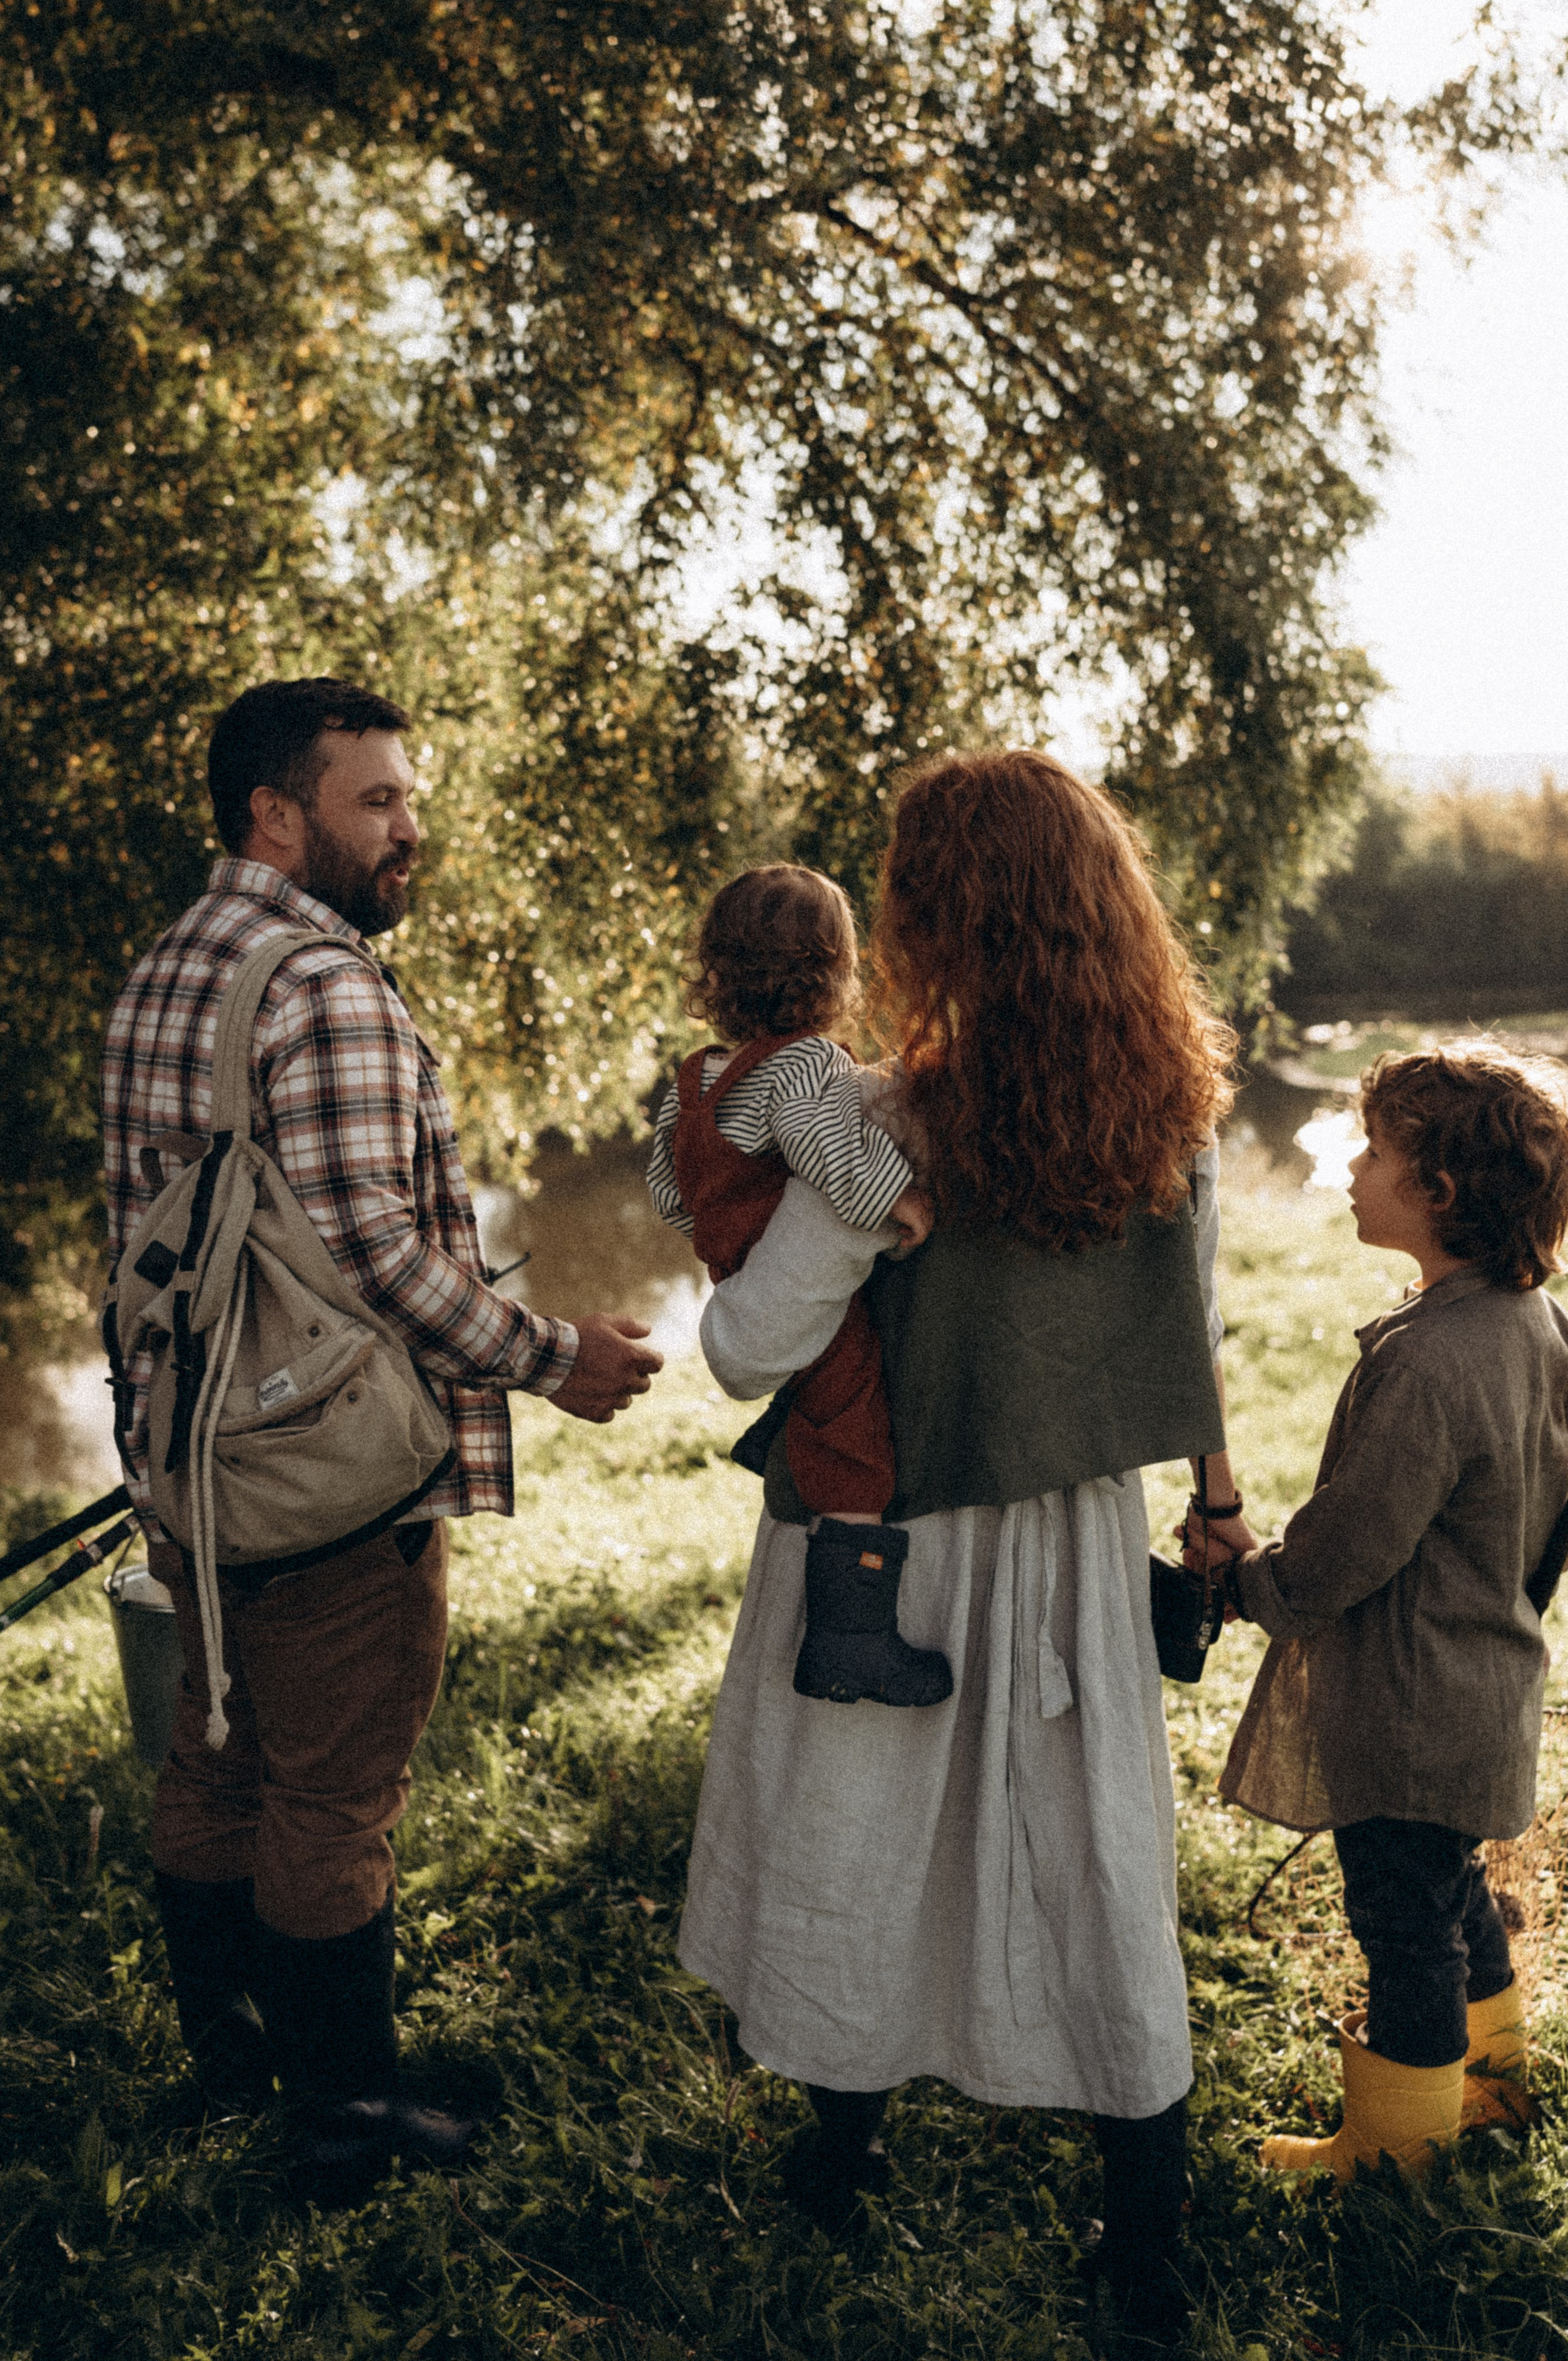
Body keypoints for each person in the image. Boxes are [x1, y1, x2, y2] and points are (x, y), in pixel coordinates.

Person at [676, 749, 1248, 2349]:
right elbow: (1189, 1337)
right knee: (1091, 1854)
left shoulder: (873, 1116)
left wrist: (815, 1215)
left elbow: (744, 1346)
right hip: (1069, 1535)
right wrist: (1211, 1498)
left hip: (891, 1538)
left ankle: (840, 2151)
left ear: (933, 918)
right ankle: (1142, 2238)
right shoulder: (1172, 1117)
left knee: (860, 1831)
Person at [102, 676, 662, 2167]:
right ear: (275, 817)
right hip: (319, 1479)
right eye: (376, 802)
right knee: (332, 1791)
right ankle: (340, 2114)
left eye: (410, 796)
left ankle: (231, 2057)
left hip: (187, 1463)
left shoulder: (167, 969)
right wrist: (551, 1357)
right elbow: (378, 1258)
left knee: (214, 1750)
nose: (410, 828)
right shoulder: (321, 981)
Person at [1214, 1045, 1568, 2181]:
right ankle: (1493, 2081)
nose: (1350, 1168)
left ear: (1441, 1194)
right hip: (1481, 1682)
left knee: (1402, 1924)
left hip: (1414, 1701)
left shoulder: (1432, 1360)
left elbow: (1357, 1539)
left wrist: (1250, 1580)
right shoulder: (1537, 1323)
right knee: (1448, 1882)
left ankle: (1399, 2150)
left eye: (1375, 1153)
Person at [647, 863, 948, 1707]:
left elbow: (670, 1194)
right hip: (796, 1287)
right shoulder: (805, 1065)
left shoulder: (697, 1079)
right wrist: (900, 1199)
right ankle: (853, 1640)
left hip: (739, 1273)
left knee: (820, 1419)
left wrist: (728, 1236)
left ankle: (836, 1604)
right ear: (833, 971)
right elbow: (827, 1153)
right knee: (857, 1433)